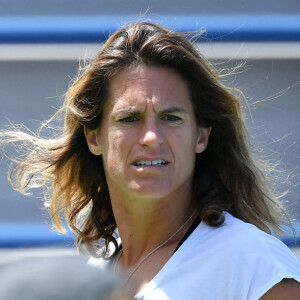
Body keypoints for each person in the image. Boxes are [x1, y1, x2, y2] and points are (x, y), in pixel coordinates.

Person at [1, 21, 300, 299]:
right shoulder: (90, 279)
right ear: (94, 138)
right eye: (130, 118)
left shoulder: (257, 266)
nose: (151, 137)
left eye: (171, 117)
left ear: (201, 136)